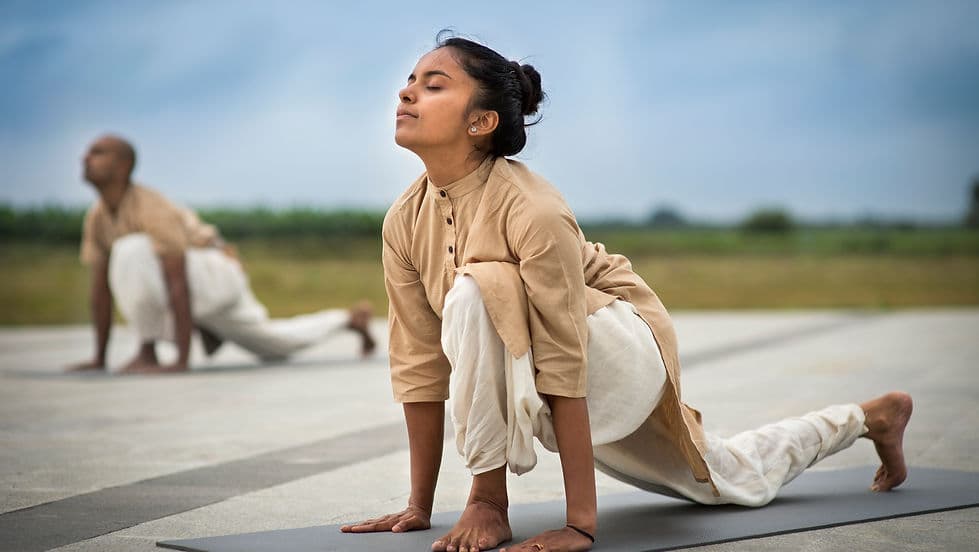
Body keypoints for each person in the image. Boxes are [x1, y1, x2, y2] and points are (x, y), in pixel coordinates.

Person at [340, 35, 913, 552]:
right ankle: (870, 418)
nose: (407, 91)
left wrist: (581, 523)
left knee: (476, 289)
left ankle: (488, 500)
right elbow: (419, 364)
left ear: (480, 122)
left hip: (616, 347)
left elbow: (565, 353)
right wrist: (417, 507)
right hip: (535, 373)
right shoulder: (403, 220)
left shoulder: (531, 207)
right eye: (411, 80)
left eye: (432, 84)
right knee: (730, 475)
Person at [67, 134, 375, 374]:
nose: (85, 158)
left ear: (123, 166)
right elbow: (100, 292)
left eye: (97, 152)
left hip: (215, 273)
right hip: (195, 285)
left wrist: (181, 360)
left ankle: (152, 348)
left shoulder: (150, 207)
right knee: (274, 344)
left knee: (130, 251)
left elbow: (178, 281)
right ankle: (349, 320)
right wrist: (99, 358)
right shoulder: (97, 218)